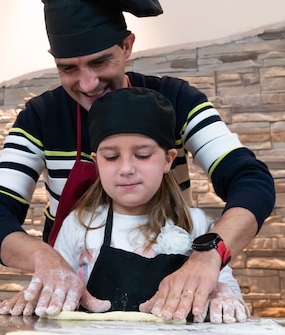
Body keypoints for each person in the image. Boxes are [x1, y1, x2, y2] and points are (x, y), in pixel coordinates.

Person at [0, 0, 275, 323]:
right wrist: (46, 260)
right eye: (69, 68)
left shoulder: (177, 101)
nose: (86, 84)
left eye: (100, 62)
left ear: (127, 46)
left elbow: (251, 182)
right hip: (75, 296)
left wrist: (208, 256)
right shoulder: (41, 117)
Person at [52, 87, 248, 321]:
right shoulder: (78, 224)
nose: (126, 169)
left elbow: (233, 302)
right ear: (96, 162)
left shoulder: (195, 225)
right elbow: (54, 292)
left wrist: (218, 293)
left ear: (168, 160)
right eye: (111, 157)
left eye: (143, 155)